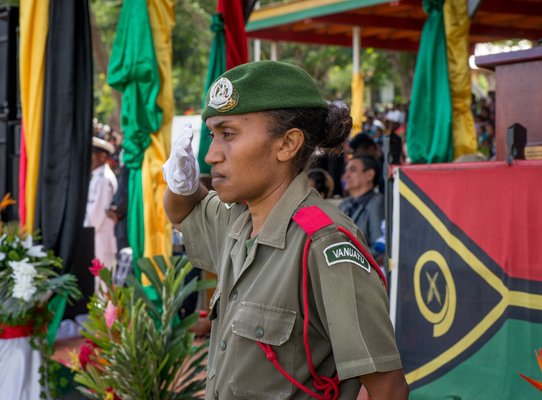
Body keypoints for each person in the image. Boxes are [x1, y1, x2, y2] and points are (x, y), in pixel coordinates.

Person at [162, 61, 408, 400]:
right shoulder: (239, 221)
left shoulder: (323, 242)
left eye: (228, 134)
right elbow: (182, 211)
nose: (212, 155)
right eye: (212, 136)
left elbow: (387, 389)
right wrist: (181, 181)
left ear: (287, 144)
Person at [84, 137, 118, 293]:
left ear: (102, 156)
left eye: (92, 154)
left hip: (102, 238)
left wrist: (82, 230)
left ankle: (105, 316)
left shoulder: (103, 179)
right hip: (98, 238)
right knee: (97, 280)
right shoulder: (98, 177)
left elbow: (95, 215)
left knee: (102, 282)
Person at [339, 154, 385, 263]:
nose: (346, 176)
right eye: (346, 171)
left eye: (352, 170)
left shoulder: (377, 202)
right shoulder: (346, 203)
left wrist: (350, 260)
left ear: (369, 175)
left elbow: (379, 247)